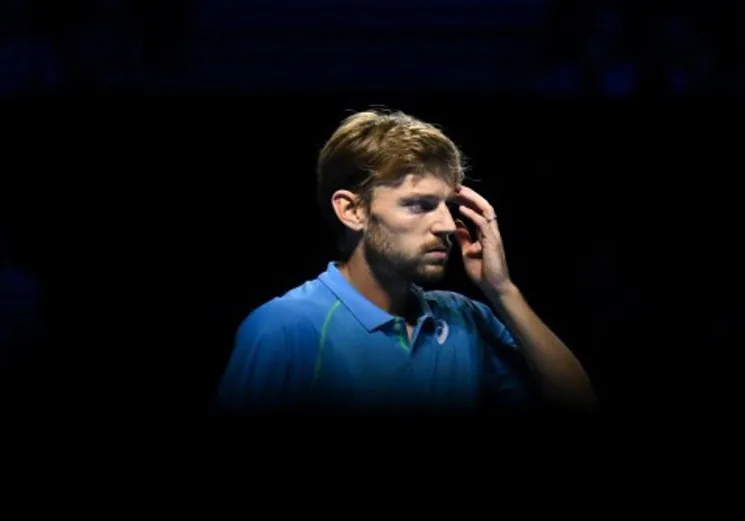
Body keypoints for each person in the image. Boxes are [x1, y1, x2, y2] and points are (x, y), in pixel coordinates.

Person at [214, 109, 596, 417]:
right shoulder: (284, 328)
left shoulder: (465, 319)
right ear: (352, 210)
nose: (447, 224)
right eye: (419, 205)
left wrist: (502, 290)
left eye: (448, 206)